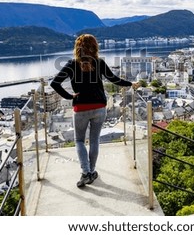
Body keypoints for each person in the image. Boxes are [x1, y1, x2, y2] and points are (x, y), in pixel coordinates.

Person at [50, 34, 137, 188]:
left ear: (77, 48)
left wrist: (69, 96)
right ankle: (92, 171)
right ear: (95, 47)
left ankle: (86, 172)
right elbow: (114, 79)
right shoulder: (99, 63)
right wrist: (131, 83)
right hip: (99, 107)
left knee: (79, 141)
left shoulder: (71, 64)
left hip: (80, 107)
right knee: (95, 140)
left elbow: (55, 83)